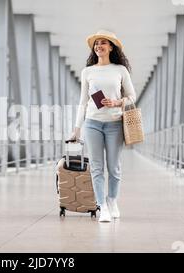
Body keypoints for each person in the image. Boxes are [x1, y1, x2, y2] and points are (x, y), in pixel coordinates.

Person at [69, 30, 136, 222]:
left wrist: (116, 103)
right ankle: (102, 206)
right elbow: (82, 101)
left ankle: (112, 200)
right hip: (92, 124)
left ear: (111, 47)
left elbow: (132, 96)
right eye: (96, 43)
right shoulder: (87, 72)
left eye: (103, 43)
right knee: (97, 168)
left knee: (114, 167)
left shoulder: (120, 70)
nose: (99, 46)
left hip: (115, 124)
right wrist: (77, 128)